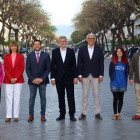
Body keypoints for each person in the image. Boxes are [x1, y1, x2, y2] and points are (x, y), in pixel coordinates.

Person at [77, 33, 104, 120]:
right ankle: (84, 113)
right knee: (85, 94)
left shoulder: (99, 49)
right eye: (89, 38)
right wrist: (79, 75)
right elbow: (79, 63)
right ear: (87, 39)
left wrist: (101, 75)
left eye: (92, 38)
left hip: (96, 75)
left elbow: (101, 63)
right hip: (85, 75)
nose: (91, 39)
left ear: (95, 39)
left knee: (96, 94)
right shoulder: (82, 49)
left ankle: (97, 113)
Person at [51, 36, 78, 121]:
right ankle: (62, 114)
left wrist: (75, 77)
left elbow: (74, 65)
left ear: (66, 42)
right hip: (59, 78)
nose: (62, 42)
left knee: (70, 96)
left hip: (69, 78)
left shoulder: (71, 51)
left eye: (64, 41)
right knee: (60, 96)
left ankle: (72, 114)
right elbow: (52, 66)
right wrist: (52, 78)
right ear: (59, 42)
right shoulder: (54, 52)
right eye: (61, 41)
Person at [26, 40, 50, 122]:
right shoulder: (29, 56)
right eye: (35, 44)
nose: (37, 46)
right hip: (32, 81)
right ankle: (31, 115)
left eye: (38, 44)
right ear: (33, 46)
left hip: (42, 81)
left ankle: (43, 115)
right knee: (32, 98)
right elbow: (27, 69)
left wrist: (41, 78)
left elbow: (48, 69)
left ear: (41, 45)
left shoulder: (46, 55)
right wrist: (33, 79)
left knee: (43, 98)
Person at [3, 41, 25, 122]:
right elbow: (5, 68)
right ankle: (8, 115)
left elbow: (22, 68)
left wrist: (15, 78)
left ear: (17, 47)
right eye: (12, 46)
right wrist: (10, 78)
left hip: (18, 79)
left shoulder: (21, 56)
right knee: (8, 97)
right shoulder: (6, 56)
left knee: (17, 97)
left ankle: (16, 115)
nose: (14, 48)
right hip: (8, 79)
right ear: (10, 47)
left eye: (15, 46)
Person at [109, 47, 129, 120]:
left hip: (123, 83)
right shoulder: (112, 62)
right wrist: (112, 79)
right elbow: (110, 72)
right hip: (114, 83)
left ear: (123, 53)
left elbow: (127, 72)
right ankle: (114, 114)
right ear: (116, 53)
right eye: (118, 51)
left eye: (120, 51)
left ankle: (118, 114)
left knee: (121, 98)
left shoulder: (126, 63)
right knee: (116, 98)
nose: (119, 52)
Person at [129, 47, 140, 120]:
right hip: (137, 80)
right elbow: (131, 67)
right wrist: (131, 78)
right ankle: (139, 113)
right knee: (138, 98)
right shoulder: (135, 55)